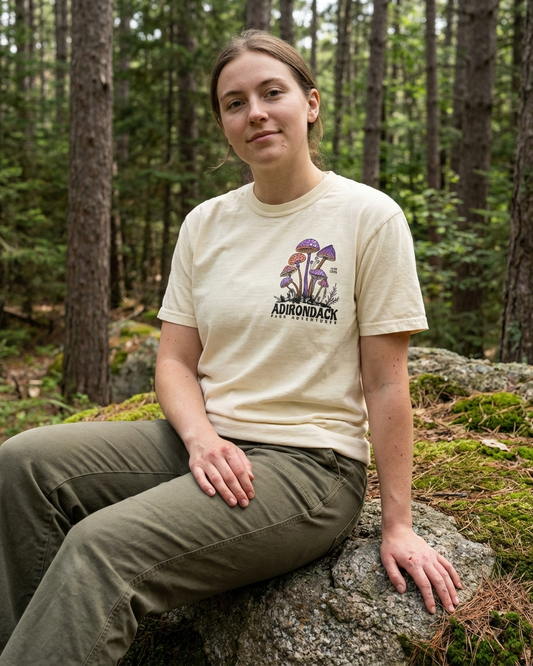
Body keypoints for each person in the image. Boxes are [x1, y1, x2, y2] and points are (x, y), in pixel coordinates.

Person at [0, 29, 461, 666]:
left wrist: (398, 524)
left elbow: (387, 384)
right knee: (23, 463)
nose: (256, 113)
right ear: (223, 122)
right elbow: (174, 361)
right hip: (206, 443)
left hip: (309, 467)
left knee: (100, 547)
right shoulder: (205, 223)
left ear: (312, 103)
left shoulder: (368, 217)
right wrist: (200, 438)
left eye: (273, 93)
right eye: (234, 102)